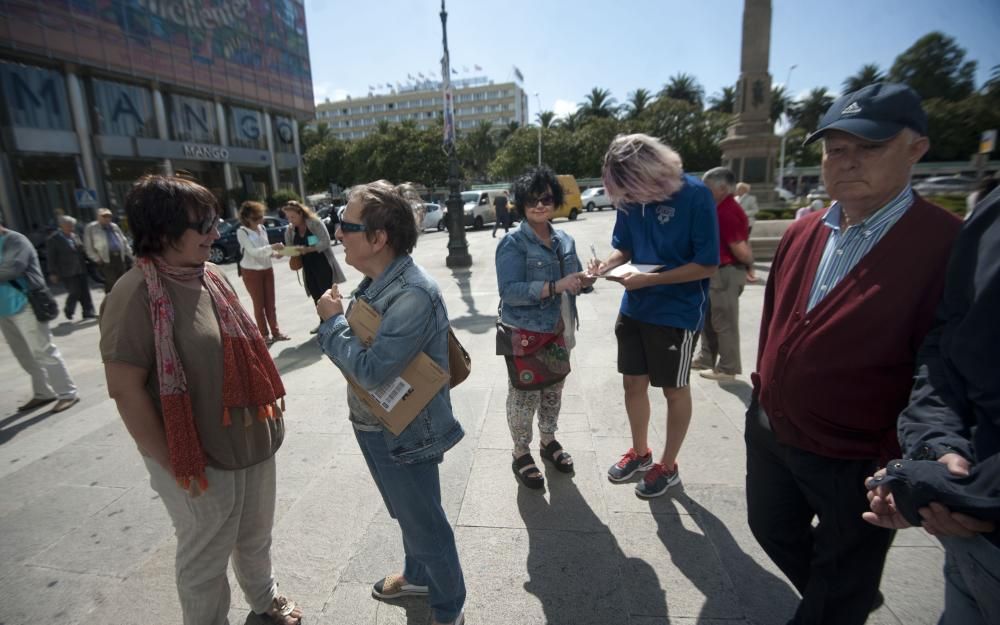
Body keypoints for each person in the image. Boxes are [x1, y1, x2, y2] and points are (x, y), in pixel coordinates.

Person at [746, 82, 962, 625]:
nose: (847, 162)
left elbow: (942, 368)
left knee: (843, 576)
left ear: (916, 148)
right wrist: (761, 395)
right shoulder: (803, 232)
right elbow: (775, 319)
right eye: (835, 149)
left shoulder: (947, 244)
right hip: (774, 432)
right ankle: (849, 596)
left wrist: (901, 460)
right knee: (770, 527)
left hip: (857, 456)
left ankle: (841, 601)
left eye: (868, 147)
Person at [100, 175, 302, 625]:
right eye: (204, 225)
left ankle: (263, 598)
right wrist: (175, 462)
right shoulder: (133, 294)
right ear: (164, 232)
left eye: (215, 221)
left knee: (254, 536)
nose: (216, 232)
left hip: (249, 441)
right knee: (205, 557)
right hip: (197, 457)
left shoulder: (209, 275)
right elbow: (124, 389)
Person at [315, 180, 466, 625]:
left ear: (378, 238)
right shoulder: (379, 281)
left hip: (403, 430)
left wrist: (331, 325)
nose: (338, 233)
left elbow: (370, 370)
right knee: (409, 513)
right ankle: (419, 576)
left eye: (346, 224)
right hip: (376, 423)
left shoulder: (412, 294)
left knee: (426, 525)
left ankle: (448, 607)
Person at [862, 186, 1000, 625]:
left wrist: (966, 492)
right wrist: (935, 449)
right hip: (972, 541)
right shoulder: (991, 214)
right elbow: (947, 345)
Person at [594, 133, 719, 498]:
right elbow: (625, 248)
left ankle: (668, 465)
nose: (630, 197)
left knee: (674, 389)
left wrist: (651, 279)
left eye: (634, 187)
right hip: (635, 306)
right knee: (632, 384)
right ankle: (641, 452)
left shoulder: (695, 195)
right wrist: (606, 265)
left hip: (676, 311)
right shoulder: (629, 197)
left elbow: (707, 264)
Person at [495, 167, 596, 489]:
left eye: (546, 199)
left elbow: (575, 280)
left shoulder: (565, 238)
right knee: (524, 396)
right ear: (521, 203)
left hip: (560, 327)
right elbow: (509, 290)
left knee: (553, 389)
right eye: (532, 200)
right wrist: (554, 286)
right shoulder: (513, 243)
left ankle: (548, 440)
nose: (540, 205)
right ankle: (521, 451)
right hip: (526, 331)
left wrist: (586, 280)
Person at [0, 216, 79, 413]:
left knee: (43, 351)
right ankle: (44, 392)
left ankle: (68, 393)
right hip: (4, 310)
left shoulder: (15, 240)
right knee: (24, 355)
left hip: (26, 304)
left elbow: (12, 269)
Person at [693, 167, 754, 382]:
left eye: (707, 188)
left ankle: (728, 368)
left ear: (721, 188)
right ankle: (707, 358)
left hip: (726, 272)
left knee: (724, 321)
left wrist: (750, 265)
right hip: (716, 272)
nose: (703, 191)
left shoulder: (727, 212)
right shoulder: (718, 209)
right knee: (709, 319)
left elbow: (740, 248)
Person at [282, 200, 346, 332]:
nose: (290, 220)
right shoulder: (290, 230)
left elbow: (326, 241)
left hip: (322, 263)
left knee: (326, 293)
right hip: (307, 266)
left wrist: (308, 249)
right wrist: (285, 250)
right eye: (288, 217)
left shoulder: (314, 222)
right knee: (315, 294)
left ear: (300, 213)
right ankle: (323, 322)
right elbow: (290, 248)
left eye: (292, 217)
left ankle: (337, 323)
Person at [237, 201, 290, 345]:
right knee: (259, 305)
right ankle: (264, 335)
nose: (261, 220)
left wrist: (275, 253)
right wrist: (272, 247)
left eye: (261, 216)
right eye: (257, 217)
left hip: (267, 269)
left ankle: (276, 332)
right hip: (251, 271)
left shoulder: (262, 228)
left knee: (270, 303)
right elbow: (253, 252)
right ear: (247, 218)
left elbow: (264, 250)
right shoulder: (242, 232)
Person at [46, 215, 96, 320]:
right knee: (75, 291)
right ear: (62, 225)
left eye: (72, 225)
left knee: (85, 291)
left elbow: (81, 251)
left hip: (80, 268)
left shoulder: (75, 236)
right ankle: (69, 309)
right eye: (69, 225)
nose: (71, 227)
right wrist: (52, 272)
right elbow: (51, 257)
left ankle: (88, 311)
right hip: (66, 270)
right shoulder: (54, 239)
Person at [83, 207, 133, 293]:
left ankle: (123, 301)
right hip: (105, 259)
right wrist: (96, 258)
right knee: (111, 282)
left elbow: (124, 241)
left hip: (119, 257)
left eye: (109, 216)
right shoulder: (91, 227)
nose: (107, 218)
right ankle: (111, 302)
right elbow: (88, 246)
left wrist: (131, 255)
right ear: (98, 217)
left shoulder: (114, 226)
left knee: (123, 280)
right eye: (104, 216)